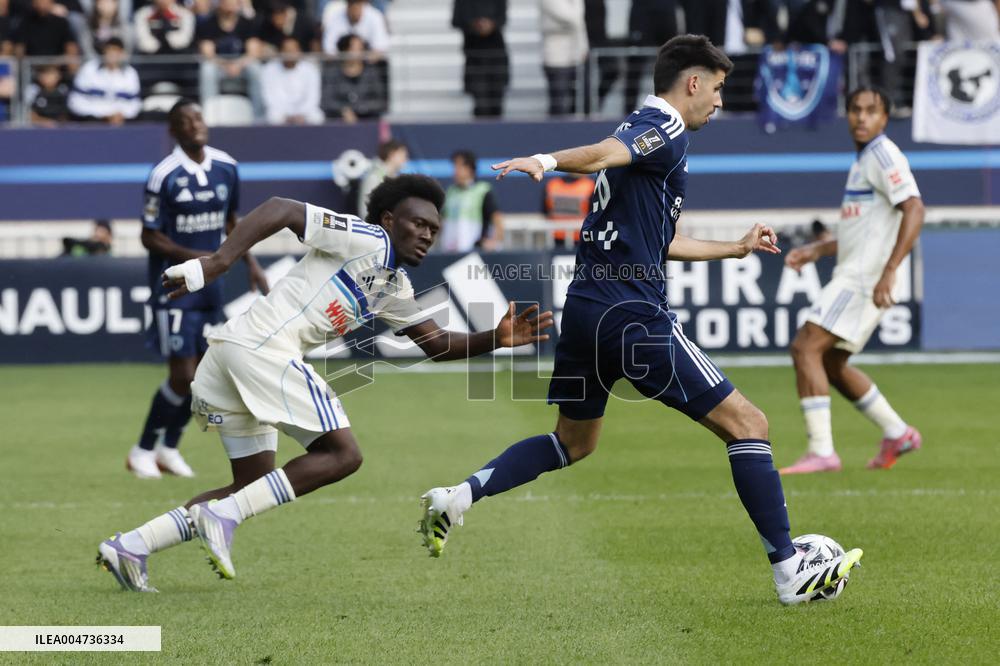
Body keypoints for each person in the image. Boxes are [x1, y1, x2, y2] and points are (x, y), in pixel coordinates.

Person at [417, 35, 864, 606]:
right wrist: (545, 162)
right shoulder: (662, 126)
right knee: (749, 425)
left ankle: (458, 497)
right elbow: (603, 152)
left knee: (573, 444)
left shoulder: (650, 143)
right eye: (719, 89)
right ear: (693, 82)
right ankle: (788, 571)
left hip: (585, 310)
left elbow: (665, 240)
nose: (720, 103)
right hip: (632, 313)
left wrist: (735, 247)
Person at [96, 176, 554, 592]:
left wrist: (495, 337)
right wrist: (218, 262)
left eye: (434, 229)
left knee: (250, 484)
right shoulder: (365, 237)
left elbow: (434, 342)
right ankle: (222, 516)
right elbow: (281, 206)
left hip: (236, 353)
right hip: (262, 347)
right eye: (418, 223)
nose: (427, 235)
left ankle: (131, 545)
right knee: (343, 454)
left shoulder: (393, 285)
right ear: (389, 220)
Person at [779, 86, 924, 475]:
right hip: (859, 272)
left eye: (871, 111)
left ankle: (822, 451)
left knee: (805, 347)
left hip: (862, 278)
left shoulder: (880, 153)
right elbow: (864, 229)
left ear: (884, 118)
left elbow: (914, 208)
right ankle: (897, 432)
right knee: (832, 361)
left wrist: (891, 269)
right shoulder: (864, 160)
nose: (862, 117)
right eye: (855, 110)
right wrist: (818, 249)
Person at [125, 99, 268, 480]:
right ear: (174, 131)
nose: (195, 125)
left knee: (205, 377)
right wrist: (198, 258)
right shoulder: (163, 175)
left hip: (210, 288)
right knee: (182, 376)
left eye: (198, 118)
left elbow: (233, 222)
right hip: (174, 289)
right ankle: (141, 450)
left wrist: (251, 263)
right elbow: (148, 235)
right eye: (185, 121)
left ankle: (168, 449)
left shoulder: (227, 167)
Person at [196, 0, 264, 119]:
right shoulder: (209, 23)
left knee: (256, 69)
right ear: (219, 4)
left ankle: (258, 116)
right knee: (207, 70)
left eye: (233, 2)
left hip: (242, 66)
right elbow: (207, 54)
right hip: (219, 66)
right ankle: (209, 116)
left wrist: (238, 65)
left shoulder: (248, 23)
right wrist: (225, 65)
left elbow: (254, 52)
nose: (230, 4)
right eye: (226, 2)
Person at [452, 0, 508, 118]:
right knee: (481, 106)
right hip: (474, 57)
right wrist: (475, 25)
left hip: (496, 56)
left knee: (497, 105)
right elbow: (456, 20)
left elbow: (503, 18)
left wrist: (491, 24)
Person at [440, 150, 503, 252]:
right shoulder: (450, 191)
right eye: (454, 166)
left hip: (475, 252)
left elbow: (497, 219)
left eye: (458, 166)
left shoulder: (483, 190)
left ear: (469, 168)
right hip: (449, 251)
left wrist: (494, 242)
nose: (455, 171)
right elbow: (442, 219)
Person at [67, 37, 141, 124]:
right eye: (109, 50)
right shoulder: (89, 69)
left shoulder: (130, 73)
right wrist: (104, 115)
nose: (112, 54)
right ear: (104, 51)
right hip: (92, 123)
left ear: (122, 54)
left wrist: (121, 114)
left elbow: (135, 104)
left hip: (121, 123)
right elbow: (75, 101)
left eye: (116, 50)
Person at [321, 33, 385, 122]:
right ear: (345, 50)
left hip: (367, 120)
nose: (360, 52)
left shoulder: (371, 72)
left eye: (361, 48)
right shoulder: (332, 73)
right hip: (338, 121)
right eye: (355, 48)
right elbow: (327, 101)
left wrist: (359, 109)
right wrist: (343, 110)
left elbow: (379, 100)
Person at [260, 35, 324, 125]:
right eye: (287, 50)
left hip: (305, 112)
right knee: (273, 117)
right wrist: (287, 115)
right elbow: (269, 98)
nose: (290, 53)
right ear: (280, 51)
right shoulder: (269, 70)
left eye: (293, 50)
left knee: (317, 117)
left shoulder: (310, 69)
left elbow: (313, 98)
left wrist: (300, 114)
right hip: (281, 112)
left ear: (299, 51)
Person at [541, 0, 587, 117]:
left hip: (574, 56)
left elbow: (578, 22)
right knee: (559, 105)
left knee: (575, 103)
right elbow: (573, 18)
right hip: (555, 58)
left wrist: (583, 48)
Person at [357, 138, 408, 220]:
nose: (405, 159)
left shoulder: (396, 178)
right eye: (402, 155)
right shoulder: (374, 177)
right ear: (392, 154)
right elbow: (365, 211)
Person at [8, 0, 79, 58]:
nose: (42, 4)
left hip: (57, 66)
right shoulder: (25, 23)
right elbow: (19, 49)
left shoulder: (61, 23)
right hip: (32, 67)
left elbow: (71, 46)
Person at [321, 0, 388, 58]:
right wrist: (348, 60)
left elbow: (379, 49)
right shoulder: (335, 18)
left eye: (358, 3)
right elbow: (329, 50)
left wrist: (359, 60)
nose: (355, 7)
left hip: (368, 67)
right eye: (351, 3)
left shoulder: (375, 17)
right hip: (340, 66)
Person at [542, 173, 593, 245]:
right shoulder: (590, 186)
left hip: (556, 237)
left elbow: (545, 212)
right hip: (580, 238)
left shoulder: (552, 185)